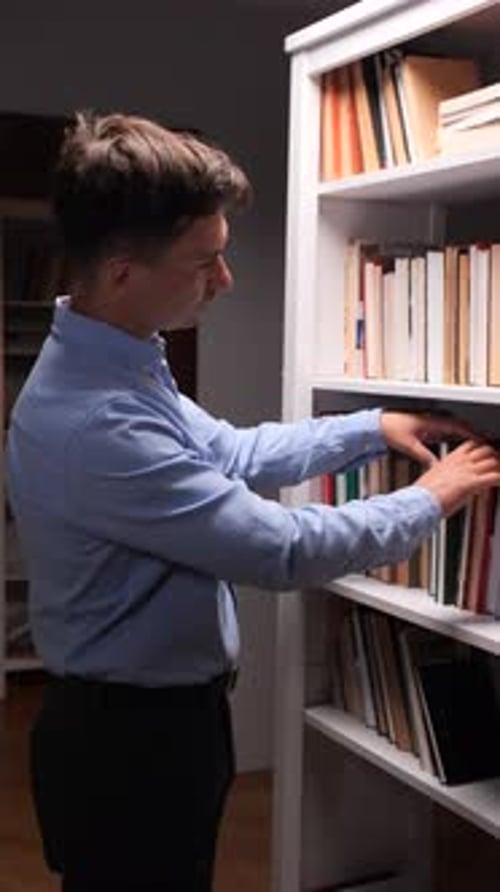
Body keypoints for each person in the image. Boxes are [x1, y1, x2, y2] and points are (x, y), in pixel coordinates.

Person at [5, 111, 500, 892]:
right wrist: (431, 501)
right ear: (124, 271)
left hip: (154, 726)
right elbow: (281, 550)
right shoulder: (97, 417)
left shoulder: (121, 363)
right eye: (205, 262)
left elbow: (232, 453)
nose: (225, 282)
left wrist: (367, 426)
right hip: (128, 746)